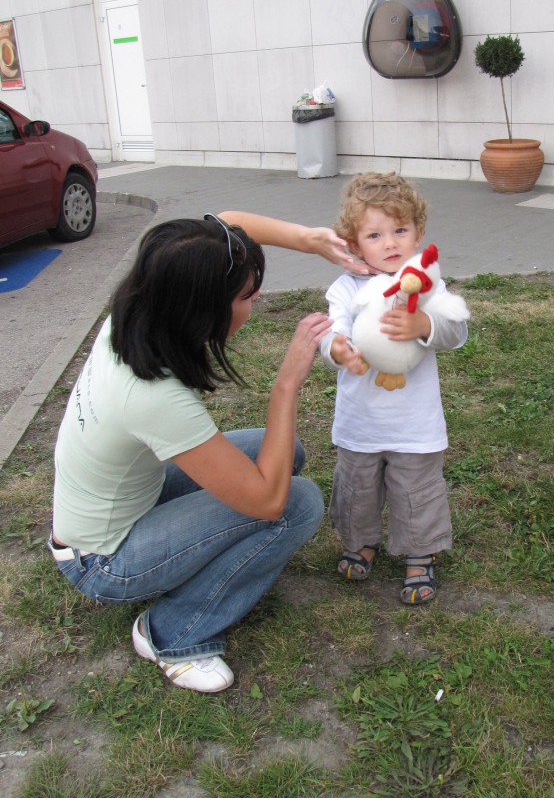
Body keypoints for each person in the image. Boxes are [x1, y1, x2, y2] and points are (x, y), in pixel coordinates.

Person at [50, 212, 366, 693]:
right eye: (246, 297)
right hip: (100, 560)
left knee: (280, 452)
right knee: (296, 503)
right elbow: (266, 502)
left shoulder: (137, 310)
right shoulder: (152, 396)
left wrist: (310, 238)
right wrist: (287, 383)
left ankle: (181, 574)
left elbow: (222, 226)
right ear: (201, 307)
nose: (255, 303)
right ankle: (173, 634)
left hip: (126, 504)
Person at [319, 172, 469, 604]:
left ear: (418, 233)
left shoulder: (424, 283)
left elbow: (456, 330)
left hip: (414, 424)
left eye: (400, 230)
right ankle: (360, 541)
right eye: (375, 234)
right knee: (358, 485)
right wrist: (339, 351)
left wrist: (424, 324)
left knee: (416, 489)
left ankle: (420, 553)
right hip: (360, 421)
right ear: (353, 241)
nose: (390, 243)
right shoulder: (346, 288)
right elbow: (333, 332)